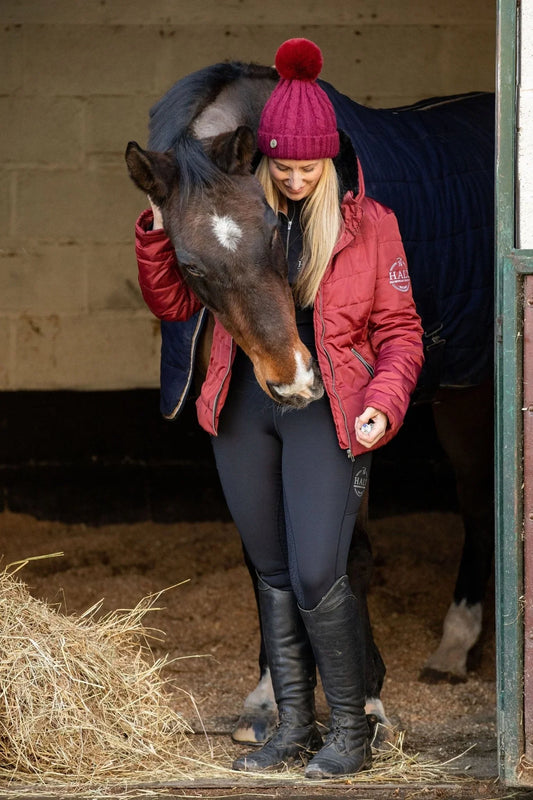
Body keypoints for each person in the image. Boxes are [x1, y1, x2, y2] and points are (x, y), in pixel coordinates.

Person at [134, 38, 424, 779]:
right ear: (261, 157)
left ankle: (352, 730)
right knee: (270, 570)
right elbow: (174, 302)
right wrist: (158, 222)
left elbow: (399, 331)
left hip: (326, 409)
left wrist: (383, 404)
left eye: (307, 167)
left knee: (318, 570)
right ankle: (292, 725)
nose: (293, 180)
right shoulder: (236, 205)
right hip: (242, 409)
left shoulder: (368, 223)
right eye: (282, 166)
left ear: (330, 160)